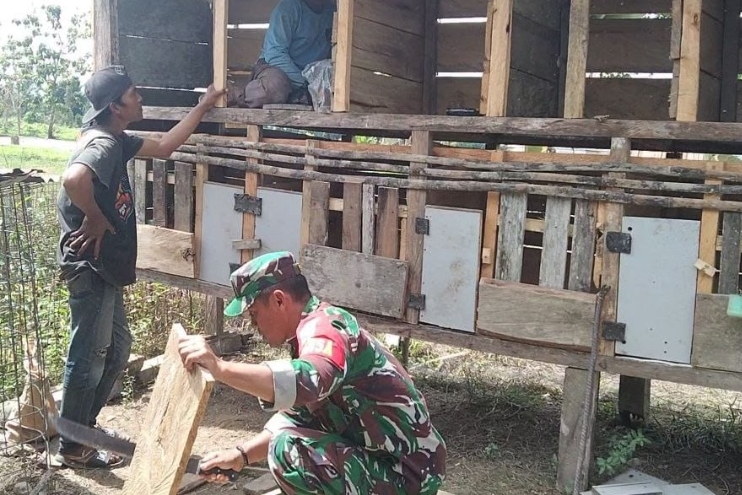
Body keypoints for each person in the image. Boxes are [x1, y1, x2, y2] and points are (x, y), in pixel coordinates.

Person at [53, 66, 224, 469]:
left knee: (115, 351)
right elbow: (73, 179)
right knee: (89, 355)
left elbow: (165, 146)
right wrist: (95, 217)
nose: (141, 97)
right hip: (89, 267)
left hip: (104, 267)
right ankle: (74, 445)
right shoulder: (103, 145)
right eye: (134, 94)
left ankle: (84, 430)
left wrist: (202, 105)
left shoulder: (117, 139)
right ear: (116, 106)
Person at [177, 251, 447, 494]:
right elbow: (298, 417)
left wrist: (221, 368)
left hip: (406, 477)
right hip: (394, 467)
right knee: (286, 441)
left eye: (255, 313)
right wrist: (240, 456)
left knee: (287, 451)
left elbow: (308, 380)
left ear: (279, 300)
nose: (254, 324)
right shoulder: (310, 333)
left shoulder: (326, 328)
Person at [228, 0, 336, 108]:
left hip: (311, 81)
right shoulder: (289, 8)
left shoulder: (333, 13)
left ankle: (298, 97)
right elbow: (274, 54)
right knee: (274, 87)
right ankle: (237, 96)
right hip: (277, 70)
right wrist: (303, 83)